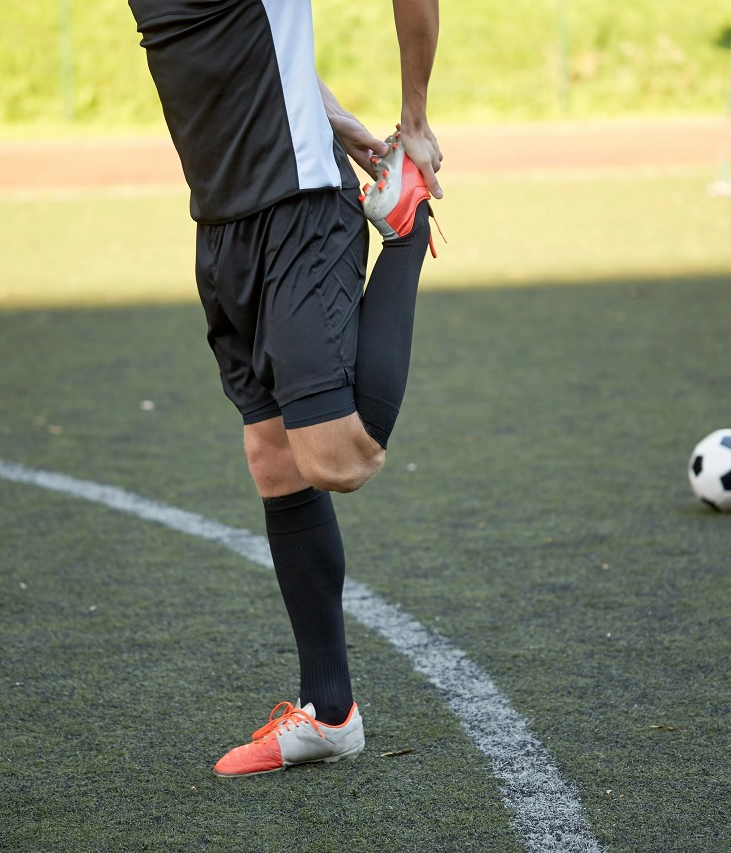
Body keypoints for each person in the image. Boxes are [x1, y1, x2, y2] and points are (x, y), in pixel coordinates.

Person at [128, 0, 442, 777]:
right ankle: (330, 712)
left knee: (340, 457)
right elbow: (252, 46)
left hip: (299, 206)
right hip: (220, 225)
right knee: (274, 459)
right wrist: (335, 113)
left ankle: (405, 220)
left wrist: (414, 114)